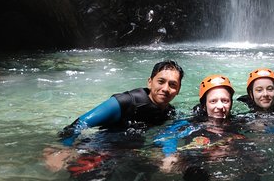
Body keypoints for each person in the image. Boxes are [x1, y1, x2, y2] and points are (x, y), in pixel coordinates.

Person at [44, 60, 184, 172]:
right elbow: (79, 124)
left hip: (127, 153)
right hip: (96, 150)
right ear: (150, 82)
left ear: (178, 90)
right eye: (161, 81)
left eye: (172, 85)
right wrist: (61, 148)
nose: (165, 89)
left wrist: (169, 154)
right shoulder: (125, 102)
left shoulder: (170, 113)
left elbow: (168, 136)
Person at [155, 74, 259, 181]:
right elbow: (166, 135)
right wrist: (169, 153)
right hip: (197, 158)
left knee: (257, 158)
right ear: (204, 106)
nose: (220, 106)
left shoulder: (239, 121)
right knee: (194, 170)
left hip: (230, 155)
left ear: (231, 103)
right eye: (213, 101)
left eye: (225, 100)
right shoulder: (192, 122)